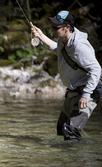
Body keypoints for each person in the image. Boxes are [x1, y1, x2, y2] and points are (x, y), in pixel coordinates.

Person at [31, 10, 101, 141]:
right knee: (61, 127)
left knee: (70, 130)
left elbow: (96, 69)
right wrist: (40, 36)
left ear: (67, 27)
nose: (53, 30)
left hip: (88, 92)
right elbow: (56, 48)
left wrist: (86, 95)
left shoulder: (79, 46)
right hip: (74, 91)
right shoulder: (63, 40)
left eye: (56, 27)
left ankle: (76, 159)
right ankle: (76, 150)